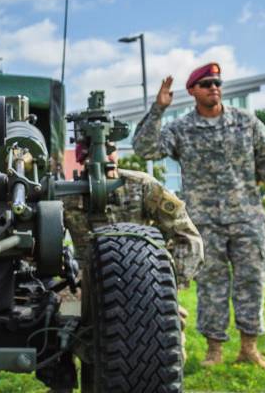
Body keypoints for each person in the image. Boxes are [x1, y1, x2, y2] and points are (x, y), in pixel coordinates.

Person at [132, 63, 265, 370]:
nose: (214, 87)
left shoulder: (246, 122)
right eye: (206, 84)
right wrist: (158, 109)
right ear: (193, 91)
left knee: (252, 281)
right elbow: (145, 149)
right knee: (211, 285)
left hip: (246, 217)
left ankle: (249, 348)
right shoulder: (182, 127)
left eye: (217, 82)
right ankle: (214, 350)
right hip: (204, 221)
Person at [63, 139, 204, 362]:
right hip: (84, 282)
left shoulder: (142, 185)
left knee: (165, 334)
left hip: (141, 276)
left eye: (110, 150)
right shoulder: (67, 194)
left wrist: (166, 283)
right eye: (94, 151)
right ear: (82, 158)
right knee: (59, 320)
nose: (105, 158)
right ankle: (64, 377)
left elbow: (187, 237)